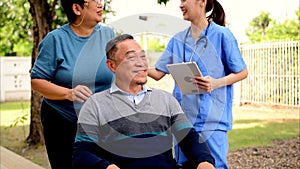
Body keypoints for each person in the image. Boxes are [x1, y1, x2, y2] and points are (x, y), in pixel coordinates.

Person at [72, 34, 215, 169]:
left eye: (143, 57)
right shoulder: (95, 104)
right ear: (112, 66)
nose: (141, 63)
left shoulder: (165, 100)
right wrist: (107, 167)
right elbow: (81, 153)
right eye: (132, 58)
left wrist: (204, 161)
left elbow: (189, 137)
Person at [148, 0, 248, 169]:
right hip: (182, 124)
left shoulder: (222, 35)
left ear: (202, 1)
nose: (181, 5)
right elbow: (158, 73)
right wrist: (136, 65)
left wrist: (215, 83)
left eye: (184, 0)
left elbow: (242, 72)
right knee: (183, 166)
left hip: (213, 122)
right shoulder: (177, 39)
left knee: (213, 166)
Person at [30, 0, 115, 168]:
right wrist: (68, 93)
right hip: (63, 121)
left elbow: (117, 69)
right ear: (77, 8)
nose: (100, 4)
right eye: (95, 1)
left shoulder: (108, 35)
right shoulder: (55, 39)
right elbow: (36, 81)